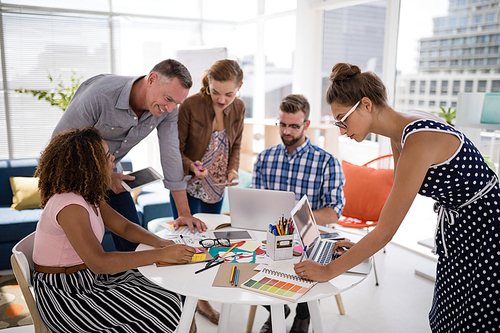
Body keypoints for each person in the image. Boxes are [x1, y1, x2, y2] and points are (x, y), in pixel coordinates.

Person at [294, 62, 500, 333]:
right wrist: (358, 247)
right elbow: (392, 208)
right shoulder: (401, 132)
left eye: (343, 119)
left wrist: (328, 271)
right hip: (461, 225)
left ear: (366, 104)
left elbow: (386, 231)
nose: (342, 130)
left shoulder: (419, 139)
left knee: (475, 316)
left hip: (486, 227)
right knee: (450, 311)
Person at [32, 127, 196, 333]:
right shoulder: (70, 206)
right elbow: (100, 262)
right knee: (164, 307)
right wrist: (160, 254)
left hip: (87, 277)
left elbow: (124, 226)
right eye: (107, 156)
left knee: (169, 293)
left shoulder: (88, 194)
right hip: (66, 293)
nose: (113, 160)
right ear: (90, 165)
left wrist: (157, 241)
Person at [53, 59, 207, 252]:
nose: (170, 108)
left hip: (111, 173)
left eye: (176, 103)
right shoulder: (99, 95)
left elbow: (171, 154)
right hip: (73, 177)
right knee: (80, 250)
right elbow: (60, 148)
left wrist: (184, 212)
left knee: (135, 246)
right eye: (168, 99)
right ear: (151, 79)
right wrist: (104, 177)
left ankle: (134, 282)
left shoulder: (168, 110)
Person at [253, 94, 345, 333]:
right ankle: (276, 309)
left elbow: (334, 212)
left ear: (306, 125)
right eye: (282, 124)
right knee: (243, 264)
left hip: (309, 239)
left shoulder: (327, 162)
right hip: (271, 235)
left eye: (294, 126)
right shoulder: (264, 158)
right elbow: (256, 202)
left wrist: (299, 221)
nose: (286, 131)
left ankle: (303, 315)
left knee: (307, 264)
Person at [172, 59, 245, 327]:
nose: (222, 99)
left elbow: (235, 145)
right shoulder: (191, 105)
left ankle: (201, 301)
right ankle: (182, 306)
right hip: (189, 183)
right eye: (216, 92)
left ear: (239, 88)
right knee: (185, 245)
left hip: (217, 187)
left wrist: (233, 170)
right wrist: (191, 165)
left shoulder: (239, 107)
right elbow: (174, 149)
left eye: (229, 93)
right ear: (208, 85)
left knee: (211, 245)